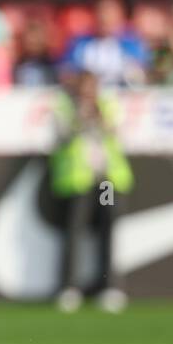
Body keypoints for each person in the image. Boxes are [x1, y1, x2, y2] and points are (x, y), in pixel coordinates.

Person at [50, 71, 133, 314]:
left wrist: (97, 115)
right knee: (74, 230)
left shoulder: (108, 104)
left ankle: (108, 287)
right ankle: (69, 287)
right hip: (79, 179)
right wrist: (80, 116)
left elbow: (118, 132)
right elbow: (61, 137)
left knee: (107, 230)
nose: (88, 92)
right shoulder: (65, 106)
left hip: (106, 179)